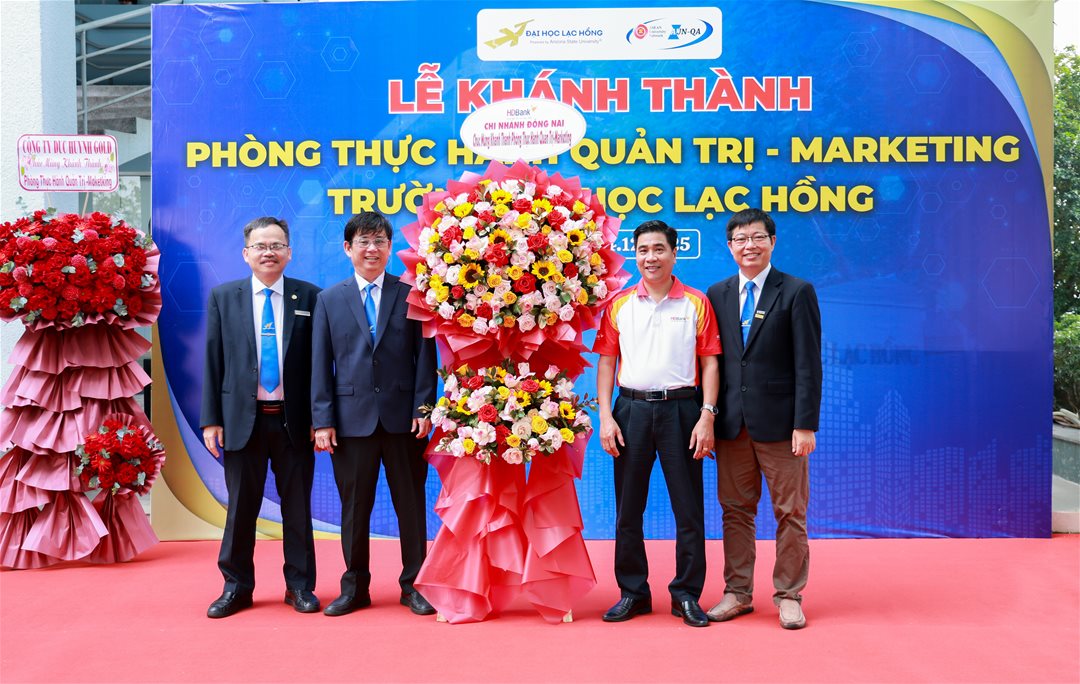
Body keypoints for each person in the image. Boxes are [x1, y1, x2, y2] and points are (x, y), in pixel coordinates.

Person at [593, 219, 721, 628]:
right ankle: (633, 592)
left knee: (689, 509)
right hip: (630, 411)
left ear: (674, 253)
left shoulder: (696, 303)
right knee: (628, 509)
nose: (651, 257)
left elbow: (710, 362)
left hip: (683, 411)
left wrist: (707, 414)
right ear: (635, 255)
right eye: (643, 250)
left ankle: (686, 594)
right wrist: (606, 416)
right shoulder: (619, 304)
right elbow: (607, 362)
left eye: (659, 249)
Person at [311, 211, 437, 617]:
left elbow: (425, 357)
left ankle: (414, 585)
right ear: (347, 248)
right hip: (350, 422)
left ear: (390, 247)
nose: (372, 248)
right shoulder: (329, 300)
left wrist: (424, 408)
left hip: (404, 421)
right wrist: (322, 420)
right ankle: (354, 587)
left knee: (410, 506)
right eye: (364, 241)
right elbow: (320, 364)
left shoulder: (411, 293)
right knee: (354, 509)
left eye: (380, 241)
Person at [705, 207, 822, 630]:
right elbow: (712, 361)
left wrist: (805, 424)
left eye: (757, 237)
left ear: (772, 242)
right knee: (735, 511)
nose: (749, 245)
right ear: (730, 246)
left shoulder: (796, 291)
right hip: (731, 425)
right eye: (740, 239)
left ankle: (789, 595)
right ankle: (737, 592)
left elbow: (808, 363)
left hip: (782, 426)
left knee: (790, 512)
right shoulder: (716, 293)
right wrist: (708, 418)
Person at [200, 216, 321, 618]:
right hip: (242, 420)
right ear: (246, 253)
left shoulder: (310, 297)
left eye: (276, 245)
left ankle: (300, 586)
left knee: (297, 509)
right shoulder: (225, 297)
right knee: (240, 509)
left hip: (294, 422)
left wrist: (320, 418)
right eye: (261, 246)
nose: (269, 252)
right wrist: (211, 420)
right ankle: (236, 587)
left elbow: (321, 365)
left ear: (289, 252)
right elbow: (213, 361)